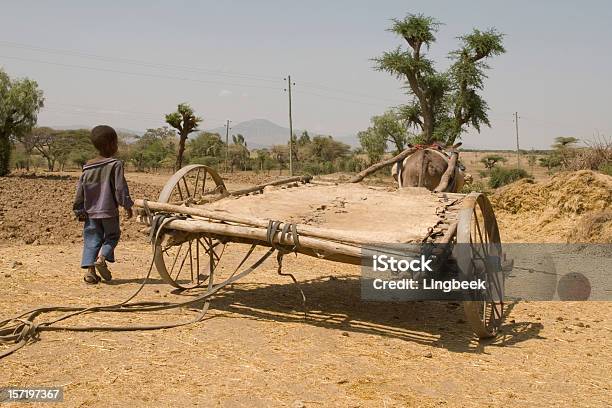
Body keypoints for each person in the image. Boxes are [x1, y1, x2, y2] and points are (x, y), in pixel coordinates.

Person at [73, 125, 133, 284]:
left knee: (92, 239)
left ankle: (90, 274)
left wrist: (79, 209)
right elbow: (120, 188)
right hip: (109, 211)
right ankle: (102, 258)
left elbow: (80, 191)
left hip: (91, 212)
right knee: (112, 236)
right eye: (116, 143)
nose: (117, 146)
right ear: (110, 144)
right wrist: (126, 204)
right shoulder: (115, 164)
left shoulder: (87, 167)